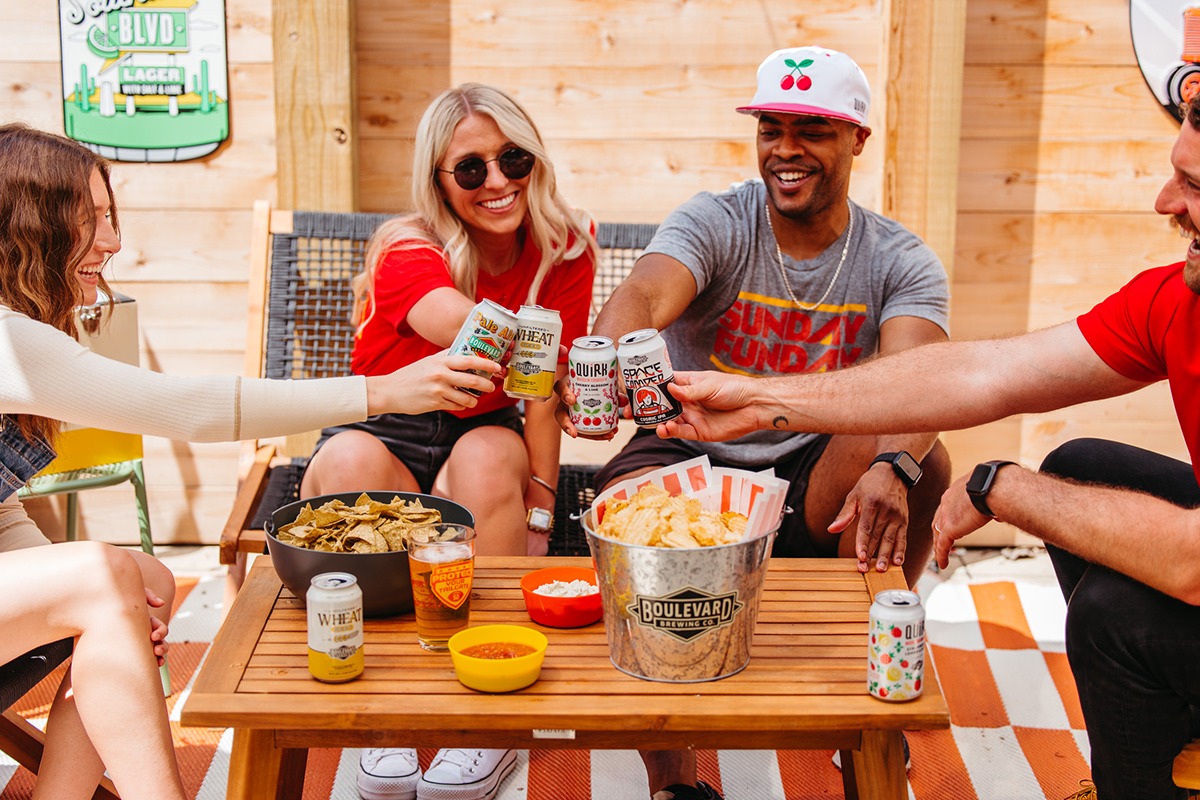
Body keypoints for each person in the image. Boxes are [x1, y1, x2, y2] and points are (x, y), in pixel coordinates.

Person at [651, 93, 1200, 800]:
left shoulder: (895, 254)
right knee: (1083, 467)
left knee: (1114, 618)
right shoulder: (1173, 299)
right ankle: (1171, 732)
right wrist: (765, 399)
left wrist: (1005, 486)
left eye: (1193, 187)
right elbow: (981, 373)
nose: (1164, 203)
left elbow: (1191, 565)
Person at [0, 123, 500, 800]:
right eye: (92, 222)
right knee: (104, 575)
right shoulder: (10, 341)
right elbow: (190, 410)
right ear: (29, 228)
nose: (114, 244)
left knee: (138, 579)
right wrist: (386, 391)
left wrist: (114, 608)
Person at [557, 46, 951, 800]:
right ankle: (675, 778)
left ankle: (859, 690)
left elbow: (922, 380)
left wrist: (893, 466)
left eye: (813, 129)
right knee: (635, 515)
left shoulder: (900, 258)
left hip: (810, 472)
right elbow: (643, 293)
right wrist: (602, 359)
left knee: (922, 461)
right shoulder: (718, 219)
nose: (786, 149)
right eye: (773, 128)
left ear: (858, 139)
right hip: (689, 445)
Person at [292, 85, 595, 800]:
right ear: (438, 179)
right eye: (470, 169)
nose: (497, 182)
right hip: (385, 424)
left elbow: (539, 398)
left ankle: (479, 725)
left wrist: (542, 519)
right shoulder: (406, 246)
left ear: (533, 160)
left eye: (512, 159)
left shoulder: (565, 246)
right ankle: (382, 720)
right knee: (348, 462)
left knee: (493, 457)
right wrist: (562, 354)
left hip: (480, 432)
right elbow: (466, 329)